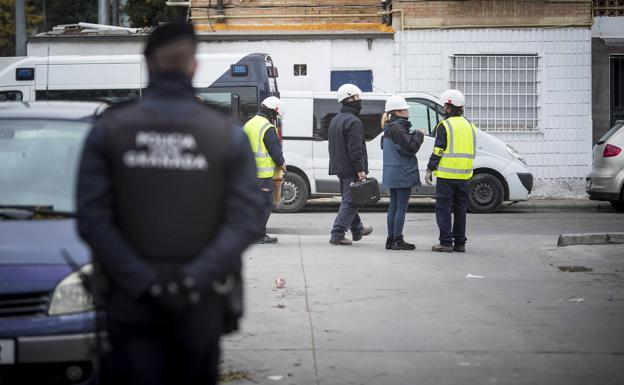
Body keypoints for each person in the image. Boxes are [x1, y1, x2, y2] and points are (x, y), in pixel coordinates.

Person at [76, 23, 263, 385]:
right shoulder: (223, 133)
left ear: (147, 61)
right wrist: (194, 278)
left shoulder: (111, 128)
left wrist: (143, 281)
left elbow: (92, 219)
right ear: (194, 66)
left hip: (130, 302)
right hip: (202, 302)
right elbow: (246, 221)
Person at [425, 89, 476, 253]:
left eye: (445, 105)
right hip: (465, 175)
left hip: (447, 175)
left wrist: (430, 168)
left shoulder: (445, 125)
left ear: (450, 106)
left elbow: (438, 150)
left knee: (443, 208)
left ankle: (446, 242)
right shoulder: (469, 125)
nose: (444, 109)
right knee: (461, 209)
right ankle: (460, 243)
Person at [328, 83, 373, 245]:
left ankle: (357, 229)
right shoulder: (353, 121)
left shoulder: (336, 120)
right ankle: (337, 234)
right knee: (351, 201)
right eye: (357, 97)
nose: (359, 100)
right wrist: (360, 170)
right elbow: (355, 150)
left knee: (350, 198)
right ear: (350, 99)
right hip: (351, 168)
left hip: (340, 167)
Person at [381, 95, 424, 250]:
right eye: (404, 109)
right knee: (401, 207)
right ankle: (397, 239)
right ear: (397, 112)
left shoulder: (389, 127)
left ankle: (391, 239)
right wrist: (419, 134)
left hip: (393, 171)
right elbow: (410, 147)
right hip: (402, 172)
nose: (407, 111)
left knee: (393, 206)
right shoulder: (398, 128)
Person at [243, 96, 286, 244]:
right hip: (263, 175)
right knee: (264, 205)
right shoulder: (267, 127)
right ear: (273, 112)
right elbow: (275, 151)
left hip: (248, 174)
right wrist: (282, 164)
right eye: (276, 115)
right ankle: (259, 235)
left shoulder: (248, 124)